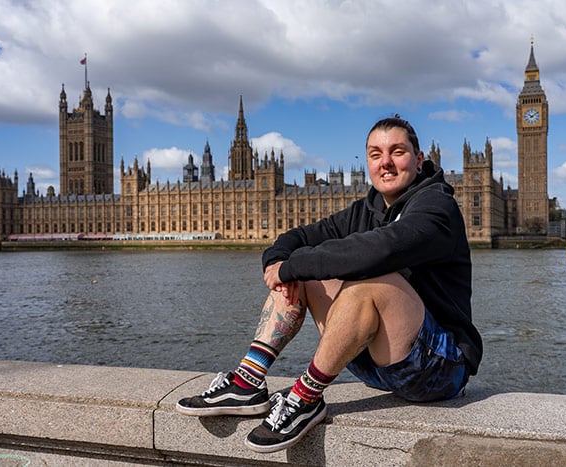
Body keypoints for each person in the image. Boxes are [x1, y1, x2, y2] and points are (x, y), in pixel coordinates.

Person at [176, 115, 483, 453]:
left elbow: (383, 248)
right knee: (303, 273)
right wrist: (278, 262)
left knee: (373, 278)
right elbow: (300, 237)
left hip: (437, 369)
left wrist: (294, 266)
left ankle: (305, 398)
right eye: (376, 154)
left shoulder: (437, 206)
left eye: (398, 151)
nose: (386, 163)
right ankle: (247, 380)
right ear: (367, 161)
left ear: (419, 158)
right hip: (375, 367)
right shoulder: (367, 209)